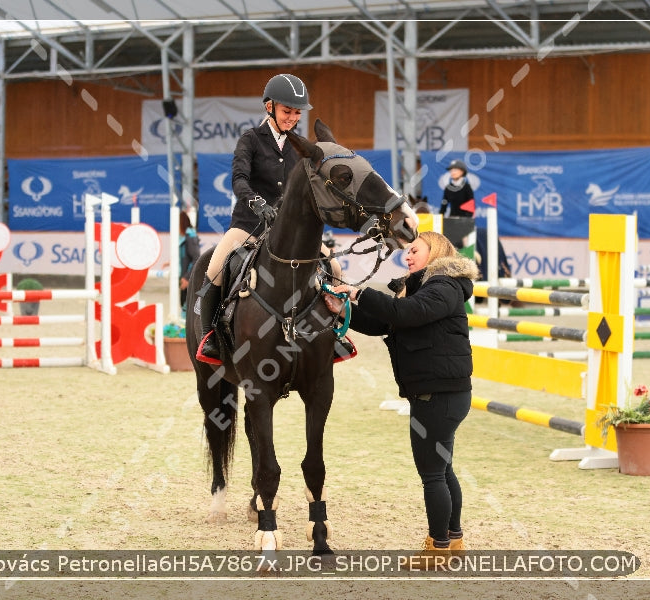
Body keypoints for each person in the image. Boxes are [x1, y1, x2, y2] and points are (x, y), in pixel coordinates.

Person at [323, 231, 479, 564]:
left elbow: (406, 313)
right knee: (442, 469)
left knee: (433, 473)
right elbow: (388, 322)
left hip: (437, 392)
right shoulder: (427, 288)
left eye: (414, 251)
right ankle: (452, 542)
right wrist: (343, 307)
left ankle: (437, 548)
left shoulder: (444, 286)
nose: (407, 256)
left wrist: (358, 292)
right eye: (406, 252)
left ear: (434, 252)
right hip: (440, 391)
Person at [195, 73, 346, 363]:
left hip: (289, 232)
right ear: (269, 107)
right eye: (287, 111)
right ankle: (210, 336)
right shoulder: (250, 139)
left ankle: (336, 334)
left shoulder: (300, 146)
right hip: (249, 225)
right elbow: (239, 180)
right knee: (214, 268)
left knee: (335, 267)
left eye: (297, 113)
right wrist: (258, 203)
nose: (292, 118)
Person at [178, 209, 201, 315]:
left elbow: (196, 257)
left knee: (186, 309)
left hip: (188, 279)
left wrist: (187, 278)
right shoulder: (186, 237)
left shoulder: (190, 237)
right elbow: (185, 256)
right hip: (185, 277)